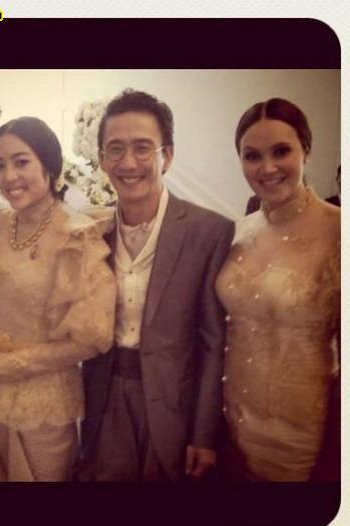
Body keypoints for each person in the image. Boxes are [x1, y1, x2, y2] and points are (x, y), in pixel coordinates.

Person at [77, 89, 235, 481]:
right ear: (102, 159)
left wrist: (204, 434)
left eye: (143, 148)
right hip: (104, 397)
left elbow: (213, 343)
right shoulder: (88, 231)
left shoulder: (209, 232)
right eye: (116, 149)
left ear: (168, 155)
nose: (128, 162)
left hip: (174, 405)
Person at [0, 116, 116, 481]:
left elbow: (91, 340)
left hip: (43, 408)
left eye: (21, 162)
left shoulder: (76, 235)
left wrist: (1, 366)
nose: (9, 176)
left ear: (49, 165)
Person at [216, 98, 340, 481]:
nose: (267, 168)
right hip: (228, 427)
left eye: (281, 151)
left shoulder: (341, 231)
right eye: (252, 156)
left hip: (303, 441)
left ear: (306, 149)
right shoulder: (237, 232)